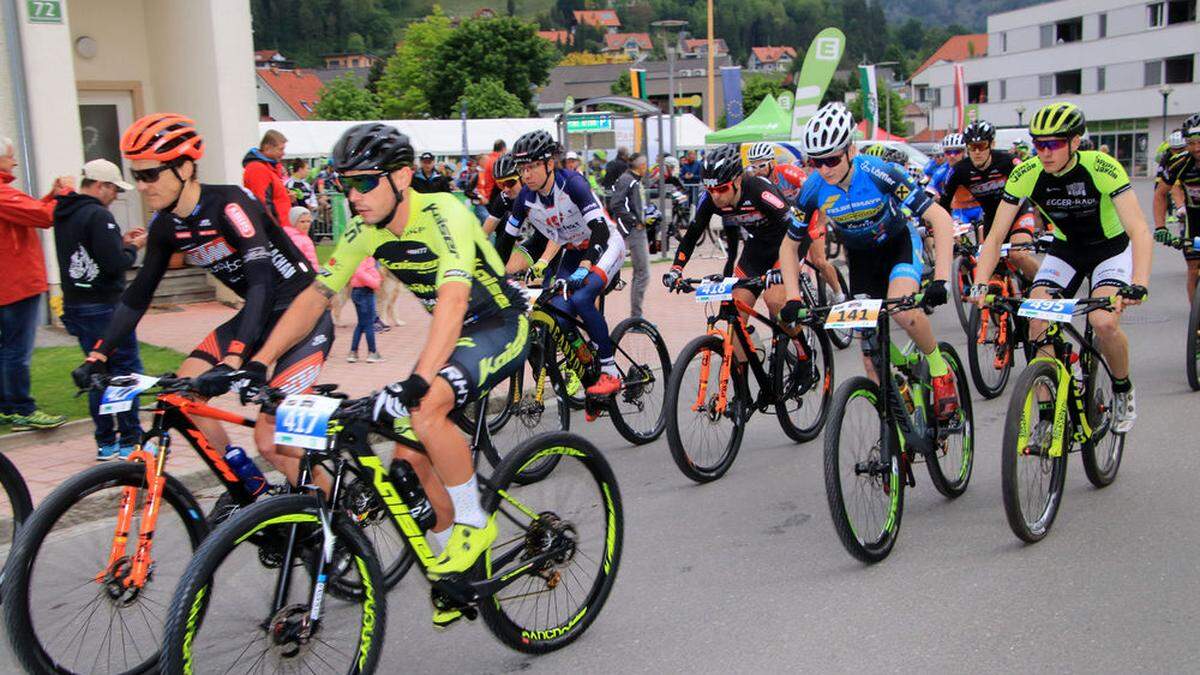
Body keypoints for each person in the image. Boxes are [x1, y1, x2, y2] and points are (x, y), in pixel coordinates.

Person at [243, 123, 528, 628]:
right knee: (408, 467)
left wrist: (418, 381)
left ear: (401, 177)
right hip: (454, 331)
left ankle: (474, 523)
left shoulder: (446, 214)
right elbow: (315, 296)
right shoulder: (364, 229)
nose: (353, 196)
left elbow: (456, 300)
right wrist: (262, 360)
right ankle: (453, 570)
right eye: (344, 184)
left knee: (424, 407)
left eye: (365, 182)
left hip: (496, 322)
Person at [69, 113, 330, 488]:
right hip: (257, 315)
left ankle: (337, 525)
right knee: (184, 393)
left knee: (273, 441)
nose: (142, 186)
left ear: (185, 167)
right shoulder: (165, 225)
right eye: (138, 176)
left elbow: (261, 284)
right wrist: (99, 355)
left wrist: (237, 357)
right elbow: (138, 294)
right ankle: (249, 489)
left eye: (150, 175)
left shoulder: (231, 206)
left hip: (301, 314)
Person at [971, 102, 1152, 433]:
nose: (1045, 152)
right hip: (1067, 250)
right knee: (1037, 320)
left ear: (1075, 142)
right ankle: (1046, 414)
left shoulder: (1102, 167)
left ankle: (1123, 389)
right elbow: (996, 236)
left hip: (1109, 250)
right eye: (1039, 144)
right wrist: (980, 284)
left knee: (1102, 322)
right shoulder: (1027, 173)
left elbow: (1139, 230)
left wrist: (1138, 283)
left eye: (1054, 143)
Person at [778, 104, 961, 420]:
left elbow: (940, 219)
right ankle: (892, 421)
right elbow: (789, 246)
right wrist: (793, 297)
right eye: (816, 162)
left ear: (850, 149)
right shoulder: (812, 188)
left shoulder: (880, 172)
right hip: (861, 259)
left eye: (832, 159)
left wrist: (942, 279)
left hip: (898, 245)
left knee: (904, 311)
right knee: (869, 351)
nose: (824, 169)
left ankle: (938, 368)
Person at [497, 130, 626, 405]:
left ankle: (610, 370)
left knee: (581, 297)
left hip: (604, 245)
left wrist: (585, 265)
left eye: (531, 167)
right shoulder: (525, 199)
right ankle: (590, 376)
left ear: (549, 164)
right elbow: (506, 241)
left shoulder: (573, 185)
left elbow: (600, 229)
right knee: (558, 314)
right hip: (572, 250)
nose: (525, 175)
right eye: (521, 169)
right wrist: (495, 276)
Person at [666, 144, 807, 369]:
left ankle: (804, 355)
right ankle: (742, 396)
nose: (716, 196)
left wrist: (784, 271)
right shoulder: (710, 198)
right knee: (735, 316)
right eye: (710, 190)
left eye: (722, 189)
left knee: (775, 301)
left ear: (738, 181)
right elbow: (692, 235)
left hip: (787, 244)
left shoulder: (760, 190)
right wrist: (676, 268)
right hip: (757, 248)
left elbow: (797, 228)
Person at [54, 159, 146, 457]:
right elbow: (116, 263)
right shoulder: (98, 215)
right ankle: (132, 438)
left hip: (77, 304)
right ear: (100, 186)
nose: (115, 196)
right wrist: (133, 247)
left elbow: (91, 251)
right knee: (125, 371)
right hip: (105, 306)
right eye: (113, 189)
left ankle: (106, 441)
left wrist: (118, 241)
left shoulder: (65, 211)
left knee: (96, 370)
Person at [0, 136, 70, 431]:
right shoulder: (3, 193)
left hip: (11, 285)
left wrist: (50, 196)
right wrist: (64, 194)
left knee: (8, 348)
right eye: (11, 156)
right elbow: (44, 216)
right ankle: (21, 408)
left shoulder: (7, 195)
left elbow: (30, 212)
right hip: (15, 286)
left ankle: (7, 406)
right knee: (17, 350)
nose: (15, 161)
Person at [938, 119, 1039, 280]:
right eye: (972, 147)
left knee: (1018, 255)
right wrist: (946, 229)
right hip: (992, 217)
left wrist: (1041, 215)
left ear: (992, 144)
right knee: (989, 267)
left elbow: (1034, 185)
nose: (977, 152)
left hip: (1018, 212)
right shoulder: (959, 170)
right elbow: (944, 203)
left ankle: (1044, 290)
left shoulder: (1008, 161)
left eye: (982, 146)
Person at [746, 142, 844, 303]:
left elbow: (818, 194)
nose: (757, 171)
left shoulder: (786, 173)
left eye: (761, 165)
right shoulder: (758, 184)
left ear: (772, 163)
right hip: (790, 223)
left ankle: (839, 293)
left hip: (811, 216)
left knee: (819, 261)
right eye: (753, 167)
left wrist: (820, 224)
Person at [1153, 113, 1200, 305]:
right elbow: (1160, 194)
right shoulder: (1179, 163)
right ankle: (1197, 319)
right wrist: (1160, 227)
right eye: (1191, 142)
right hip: (1194, 218)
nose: (1196, 148)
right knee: (1193, 268)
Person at [610, 153, 650, 319]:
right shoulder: (628, 179)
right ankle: (636, 317)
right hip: (633, 231)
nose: (647, 167)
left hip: (637, 229)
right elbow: (616, 204)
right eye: (645, 164)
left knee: (640, 273)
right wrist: (634, 221)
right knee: (642, 273)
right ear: (640, 166)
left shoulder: (632, 179)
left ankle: (636, 316)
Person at [242, 129, 292, 228]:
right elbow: (262, 203)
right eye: (280, 149)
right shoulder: (258, 168)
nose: (283, 153)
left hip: (281, 225)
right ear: (267, 147)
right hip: (275, 228)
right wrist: (273, 231)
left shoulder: (268, 168)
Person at [348, 256, 383, 363]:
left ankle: (353, 352)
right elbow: (359, 272)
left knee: (361, 324)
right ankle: (372, 352)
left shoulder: (362, 255)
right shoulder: (365, 256)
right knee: (368, 324)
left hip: (359, 291)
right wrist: (375, 282)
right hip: (365, 292)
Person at [1155, 128, 1189, 228]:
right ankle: (1174, 214)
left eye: (1182, 149)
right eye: (1175, 150)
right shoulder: (1167, 157)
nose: (1178, 153)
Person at [480, 153, 521, 235]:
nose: (506, 189)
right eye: (500, 184)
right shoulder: (503, 198)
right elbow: (484, 234)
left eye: (510, 183)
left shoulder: (537, 192)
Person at [476, 139, 506, 205]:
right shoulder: (498, 160)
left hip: (485, 195)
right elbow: (498, 180)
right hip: (493, 195)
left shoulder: (488, 159)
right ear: (504, 149)